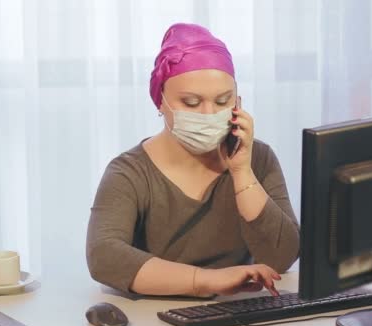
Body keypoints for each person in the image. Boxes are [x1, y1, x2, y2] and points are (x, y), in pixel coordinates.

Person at [86, 23, 299, 297]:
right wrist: (205, 281)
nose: (209, 114)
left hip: (240, 317)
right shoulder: (130, 172)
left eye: (223, 101)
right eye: (191, 103)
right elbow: (104, 255)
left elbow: (282, 258)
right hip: (153, 323)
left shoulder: (259, 159)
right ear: (160, 102)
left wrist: (242, 173)